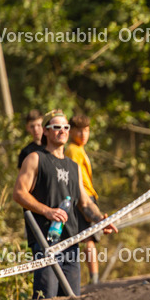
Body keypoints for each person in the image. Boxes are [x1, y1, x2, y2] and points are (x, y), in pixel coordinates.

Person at [13, 110, 116, 299]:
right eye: (57, 127)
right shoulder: (35, 158)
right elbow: (19, 193)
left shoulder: (73, 166)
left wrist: (100, 220)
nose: (62, 131)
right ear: (46, 131)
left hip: (71, 242)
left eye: (66, 127)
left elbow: (85, 203)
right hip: (46, 242)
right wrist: (47, 211)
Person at [64, 113, 102, 285]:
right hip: (83, 197)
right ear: (71, 131)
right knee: (88, 239)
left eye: (86, 130)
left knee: (89, 238)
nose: (83, 134)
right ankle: (94, 279)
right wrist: (83, 203)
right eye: (79, 131)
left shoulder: (79, 149)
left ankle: (93, 278)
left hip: (88, 195)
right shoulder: (73, 150)